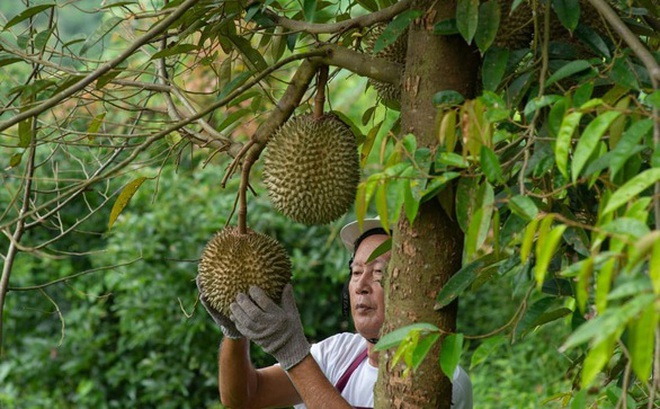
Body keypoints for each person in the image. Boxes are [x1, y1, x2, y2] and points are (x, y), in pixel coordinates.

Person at [197, 218, 473, 408]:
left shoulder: (440, 376)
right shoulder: (337, 354)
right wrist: (234, 334)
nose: (361, 286)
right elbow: (246, 396)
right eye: (356, 272)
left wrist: (292, 351)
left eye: (379, 273)